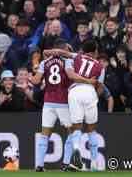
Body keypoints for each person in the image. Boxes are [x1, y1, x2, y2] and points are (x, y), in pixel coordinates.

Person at [32, 39, 96, 172]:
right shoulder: (67, 61)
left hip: (48, 103)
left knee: (45, 134)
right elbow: (72, 76)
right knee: (72, 132)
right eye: (67, 49)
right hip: (63, 102)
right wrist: (88, 81)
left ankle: (39, 165)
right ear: (63, 49)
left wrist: (33, 70)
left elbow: (36, 81)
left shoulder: (45, 62)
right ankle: (66, 163)